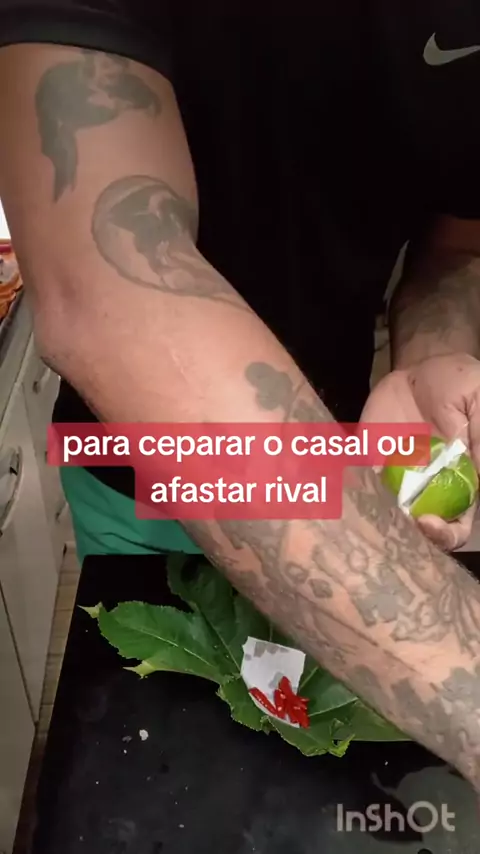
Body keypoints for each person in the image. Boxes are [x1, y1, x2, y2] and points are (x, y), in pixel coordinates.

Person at [2, 0, 480, 791]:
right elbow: (108, 287)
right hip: (140, 478)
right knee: (170, 778)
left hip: (348, 450)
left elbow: (457, 240)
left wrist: (433, 357)